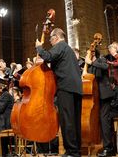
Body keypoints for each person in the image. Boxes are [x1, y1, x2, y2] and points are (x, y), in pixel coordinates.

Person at [36, 28, 82, 157]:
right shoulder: (68, 49)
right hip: (76, 88)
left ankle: (71, 152)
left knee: (67, 120)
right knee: (75, 121)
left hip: (66, 87)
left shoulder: (60, 45)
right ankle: (76, 150)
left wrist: (39, 47)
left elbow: (48, 56)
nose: (50, 41)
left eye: (50, 38)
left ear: (56, 37)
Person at [85, 49, 115, 157]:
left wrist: (92, 62)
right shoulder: (89, 64)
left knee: (104, 120)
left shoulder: (101, 59)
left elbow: (105, 67)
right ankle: (103, 145)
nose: (87, 55)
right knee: (101, 121)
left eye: (89, 53)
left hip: (104, 95)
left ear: (93, 54)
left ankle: (109, 147)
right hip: (96, 96)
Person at [0, 81, 14, 155]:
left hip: (4, 124)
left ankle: (2, 152)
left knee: (1, 145)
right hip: (1, 122)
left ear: (1, 88)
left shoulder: (6, 95)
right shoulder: (2, 95)